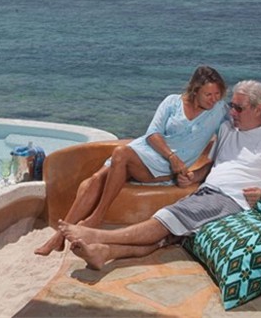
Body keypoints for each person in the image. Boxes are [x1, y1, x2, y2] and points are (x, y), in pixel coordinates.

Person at [59, 80, 261, 270]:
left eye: (238, 107)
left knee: (165, 218)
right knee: (165, 238)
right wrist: (194, 176)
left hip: (232, 200)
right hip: (208, 192)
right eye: (231, 106)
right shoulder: (228, 129)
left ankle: (97, 235)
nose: (231, 111)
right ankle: (104, 252)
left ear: (259, 108)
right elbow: (213, 166)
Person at [35, 65, 228, 256]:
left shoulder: (219, 110)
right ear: (195, 91)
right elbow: (152, 134)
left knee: (121, 153)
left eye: (217, 94)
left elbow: (237, 129)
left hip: (163, 169)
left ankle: (96, 217)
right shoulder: (172, 102)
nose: (214, 99)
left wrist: (194, 170)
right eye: (208, 94)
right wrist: (172, 156)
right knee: (93, 181)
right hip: (147, 153)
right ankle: (58, 238)